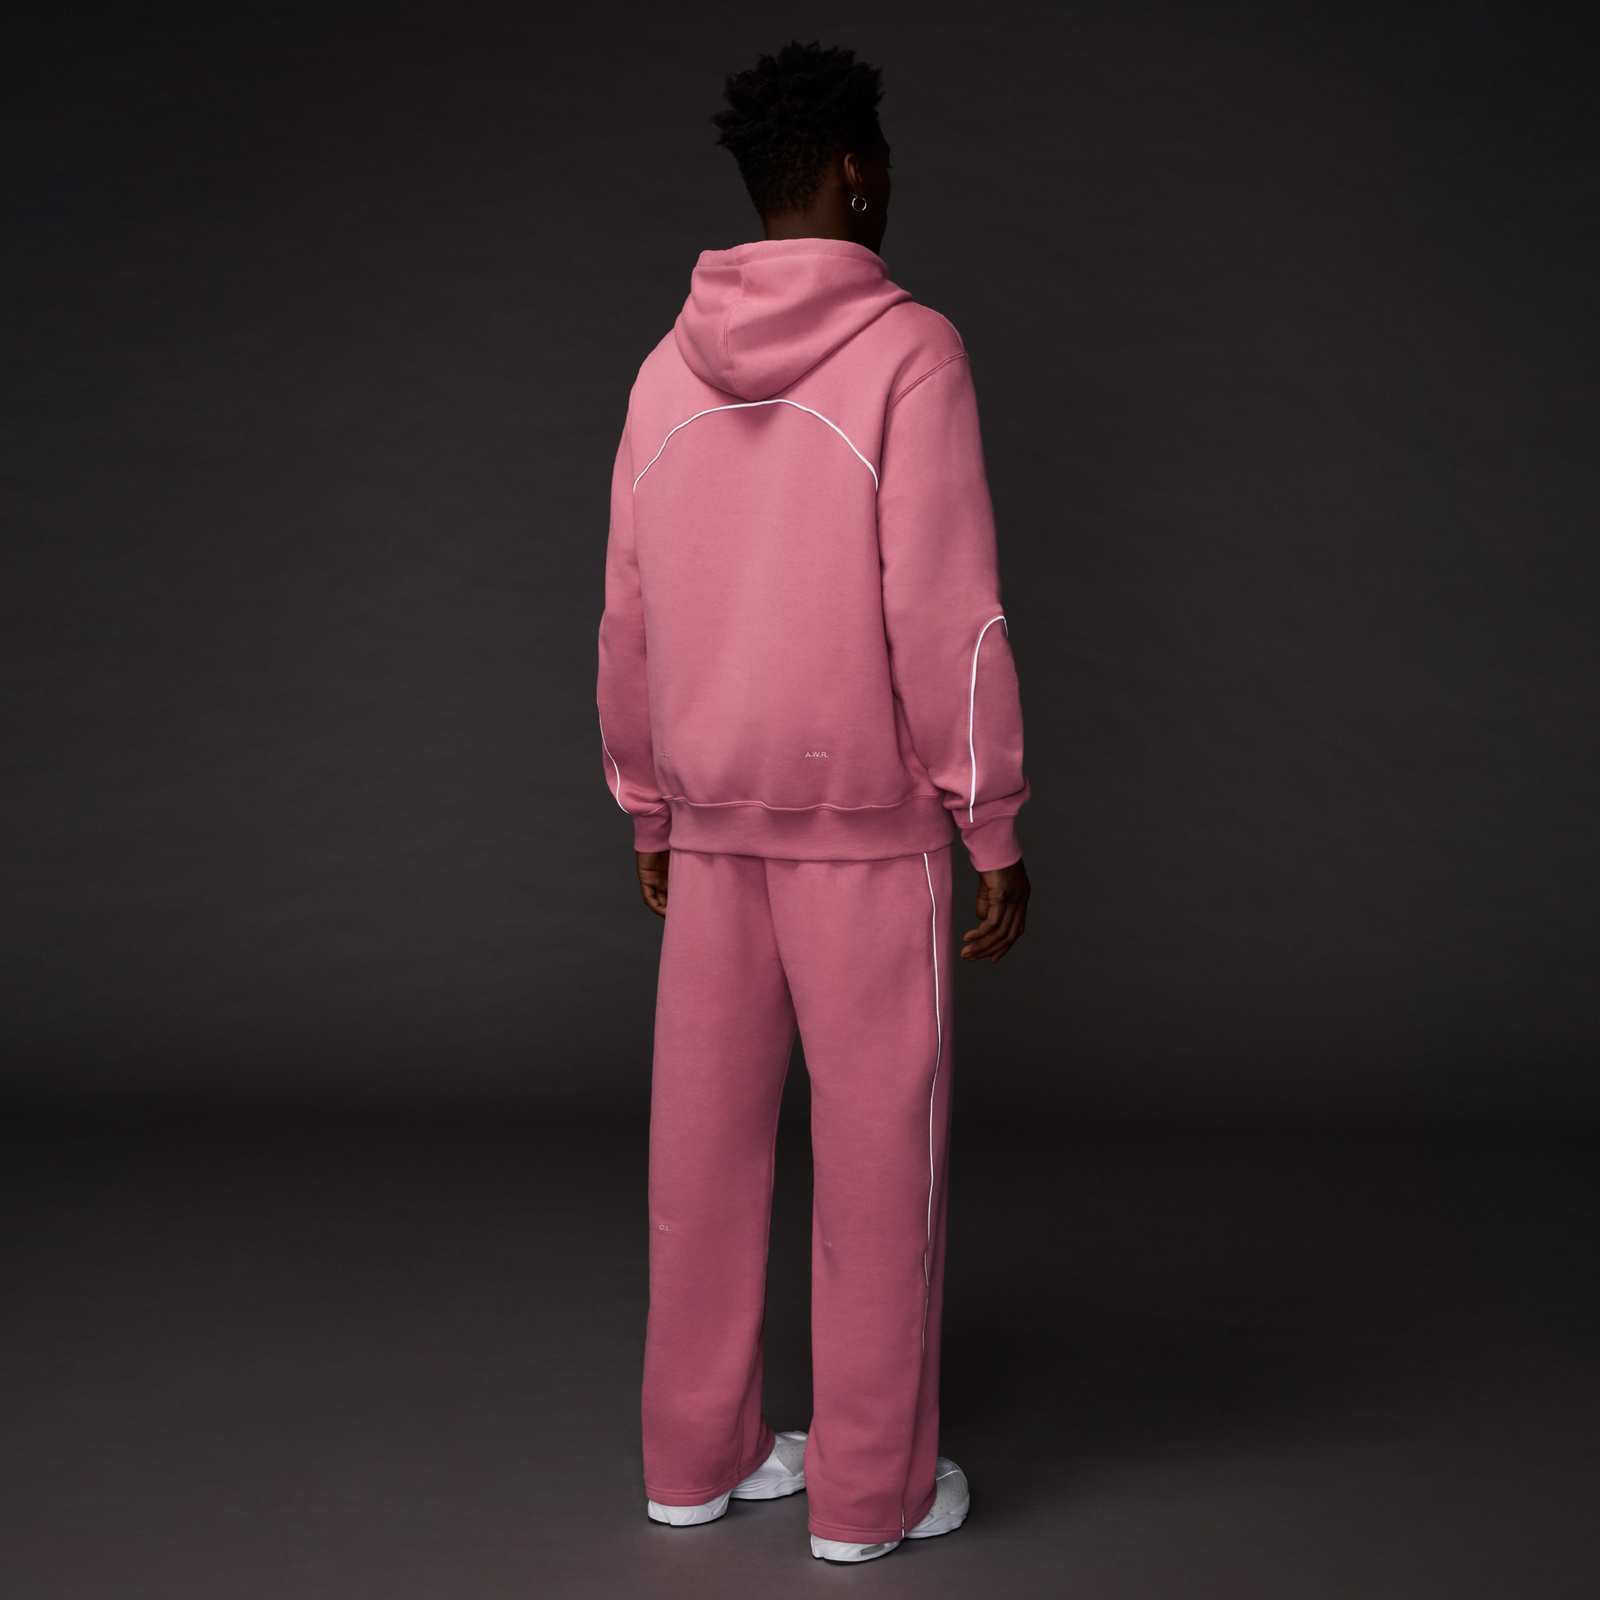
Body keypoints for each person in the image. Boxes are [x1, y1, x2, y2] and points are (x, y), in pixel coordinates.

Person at [596, 39, 1030, 1565]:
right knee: (877, 1166)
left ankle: (693, 1462)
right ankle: (869, 1497)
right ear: (855, 170)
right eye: (882, 157)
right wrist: (991, 818)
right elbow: (949, 613)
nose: (889, 178)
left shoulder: (664, 368)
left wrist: (647, 805)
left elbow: (627, 614)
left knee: (699, 1162)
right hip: (869, 841)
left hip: (712, 832)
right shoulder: (913, 353)